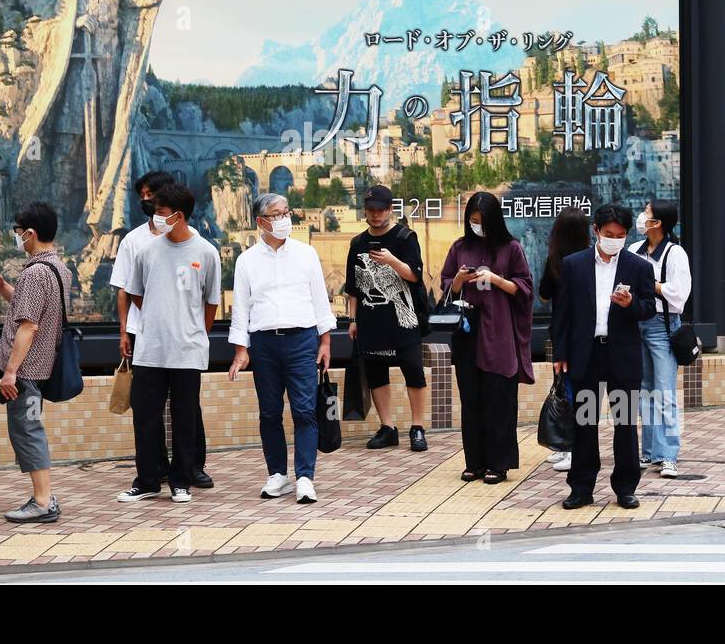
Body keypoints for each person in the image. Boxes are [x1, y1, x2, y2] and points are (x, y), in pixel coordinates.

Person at [228, 193, 336, 504]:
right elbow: (241, 309)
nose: (285, 218)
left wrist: (325, 340)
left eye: (287, 212)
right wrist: (240, 350)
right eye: (277, 214)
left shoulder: (306, 254)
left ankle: (305, 477)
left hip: (302, 340)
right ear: (261, 221)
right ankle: (277, 474)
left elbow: (320, 298)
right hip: (264, 342)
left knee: (304, 410)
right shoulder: (246, 260)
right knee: (269, 411)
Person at [110, 170, 213, 488]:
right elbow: (128, 290)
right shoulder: (137, 243)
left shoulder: (202, 249)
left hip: (185, 340)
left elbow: (209, 302)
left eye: (153, 199)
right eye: (142, 197)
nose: (149, 205)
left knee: (186, 410)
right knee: (146, 411)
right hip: (147, 335)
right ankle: (152, 472)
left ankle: (190, 469)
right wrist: (132, 327)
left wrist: (191, 328)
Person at [552, 204, 656, 510]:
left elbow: (649, 308)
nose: (615, 240)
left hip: (622, 356)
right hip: (586, 355)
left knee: (624, 424)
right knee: (585, 424)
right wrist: (559, 352)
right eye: (609, 234)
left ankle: (626, 487)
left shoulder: (639, 267)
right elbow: (563, 313)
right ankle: (581, 487)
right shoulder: (575, 264)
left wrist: (630, 303)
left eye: (621, 235)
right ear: (595, 231)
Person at [0, 202, 71, 524]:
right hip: (41, 367)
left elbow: (29, 325)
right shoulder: (59, 268)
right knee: (29, 429)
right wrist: (5, 287)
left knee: (28, 430)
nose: (18, 238)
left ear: (30, 234)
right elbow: (33, 308)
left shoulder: (35, 273)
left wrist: (10, 371)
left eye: (19, 232)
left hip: (27, 372)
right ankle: (44, 496)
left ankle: (43, 501)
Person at [439, 191, 535, 485]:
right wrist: (457, 281)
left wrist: (495, 279)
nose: (477, 226)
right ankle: (475, 462)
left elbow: (525, 287)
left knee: (499, 398)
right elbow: (445, 286)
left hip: (499, 331)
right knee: (471, 399)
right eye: (472, 220)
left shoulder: (511, 248)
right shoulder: (459, 247)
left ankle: (499, 463)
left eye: (482, 221)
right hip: (468, 330)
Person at [344, 184, 429, 452]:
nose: (376, 215)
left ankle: (417, 427)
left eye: (381, 210)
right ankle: (387, 427)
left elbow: (414, 275)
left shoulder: (405, 237)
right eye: (371, 210)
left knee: (413, 371)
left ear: (390, 209)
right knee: (376, 373)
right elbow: (353, 287)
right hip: (371, 319)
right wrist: (353, 320)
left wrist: (391, 260)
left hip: (404, 319)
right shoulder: (358, 243)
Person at [628, 200, 691, 478]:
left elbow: (678, 295)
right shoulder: (633, 250)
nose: (642, 217)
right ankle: (649, 451)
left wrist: (647, 284)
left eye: (648, 214)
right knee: (645, 390)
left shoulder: (675, 253)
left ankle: (668, 455)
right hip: (636, 324)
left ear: (658, 224)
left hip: (663, 326)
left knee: (665, 391)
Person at [539, 206, 590, 473]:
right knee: (567, 389)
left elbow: (544, 295)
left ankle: (571, 447)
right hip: (580, 331)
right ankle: (564, 445)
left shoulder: (556, 260)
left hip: (562, 330)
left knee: (567, 390)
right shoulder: (589, 258)